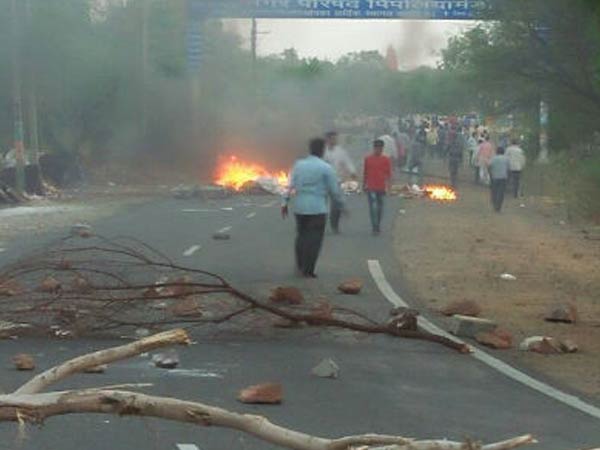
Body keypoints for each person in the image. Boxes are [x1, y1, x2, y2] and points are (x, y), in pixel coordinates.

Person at [282, 138, 344, 278]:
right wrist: (341, 205)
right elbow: (334, 191)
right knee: (315, 239)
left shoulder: (298, 165)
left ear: (310, 149)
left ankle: (300, 265)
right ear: (322, 151)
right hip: (318, 208)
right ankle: (309, 269)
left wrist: (284, 203)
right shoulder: (326, 167)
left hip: (300, 207)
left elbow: (289, 185)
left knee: (301, 236)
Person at [324, 131, 356, 233]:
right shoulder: (322, 151)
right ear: (327, 139)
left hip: (336, 181)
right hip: (323, 182)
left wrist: (352, 172)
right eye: (332, 138)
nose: (334, 140)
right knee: (321, 205)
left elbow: (347, 162)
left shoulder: (340, 151)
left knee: (336, 204)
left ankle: (335, 226)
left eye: (335, 138)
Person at [363, 139, 392, 235]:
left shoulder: (386, 160)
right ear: (374, 148)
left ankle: (377, 224)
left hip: (381, 187)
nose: (378, 150)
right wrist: (364, 184)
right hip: (371, 186)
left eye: (380, 148)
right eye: (377, 148)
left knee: (379, 207)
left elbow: (388, 174)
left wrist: (389, 187)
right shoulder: (368, 159)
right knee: (373, 207)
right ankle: (374, 226)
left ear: (382, 149)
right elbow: (365, 173)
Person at [488, 146, 510, 212]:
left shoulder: (493, 158)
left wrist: (490, 174)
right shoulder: (506, 159)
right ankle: (499, 206)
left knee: (494, 191)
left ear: (496, 152)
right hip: (503, 177)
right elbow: (508, 168)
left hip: (495, 177)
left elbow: (489, 166)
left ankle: (495, 203)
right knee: (501, 192)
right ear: (503, 152)